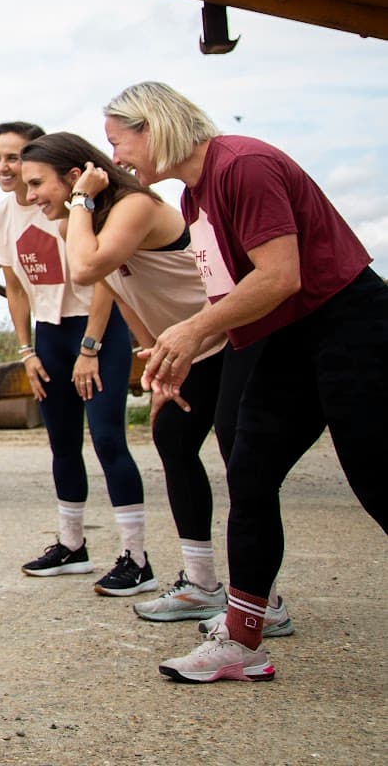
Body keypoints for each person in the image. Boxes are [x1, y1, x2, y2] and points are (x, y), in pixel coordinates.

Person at [102, 81, 388, 683]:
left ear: (153, 126)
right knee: (250, 472)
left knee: (376, 476)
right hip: (284, 336)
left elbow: (280, 276)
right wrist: (179, 351)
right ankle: (242, 640)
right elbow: (231, 299)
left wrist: (188, 330)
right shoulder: (193, 199)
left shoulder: (244, 164)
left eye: (119, 143)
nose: (118, 160)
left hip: (348, 321)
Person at [20, 131, 274, 627]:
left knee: (243, 460)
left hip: (234, 333)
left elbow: (88, 270)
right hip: (193, 347)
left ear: (75, 178)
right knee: (174, 441)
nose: (30, 197)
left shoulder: (132, 206)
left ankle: (262, 600)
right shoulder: (92, 219)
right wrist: (156, 362)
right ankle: (202, 584)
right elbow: (123, 292)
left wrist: (78, 203)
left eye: (37, 184)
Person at [0, 122, 149, 595]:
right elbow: (14, 286)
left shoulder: (71, 208)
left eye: (15, 158)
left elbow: (105, 277)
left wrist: (90, 349)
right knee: (62, 443)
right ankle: (72, 546)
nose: (4, 167)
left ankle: (137, 559)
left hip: (94, 329)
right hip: (49, 335)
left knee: (106, 439)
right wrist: (26, 351)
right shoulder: (2, 214)